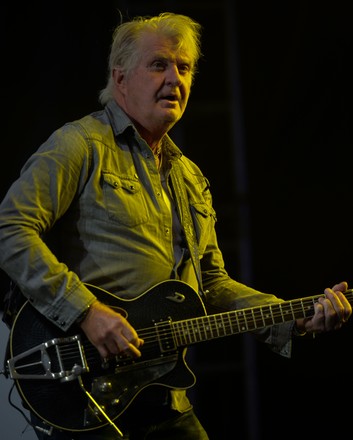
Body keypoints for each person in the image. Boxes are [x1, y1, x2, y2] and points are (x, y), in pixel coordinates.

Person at [0, 11, 351, 440]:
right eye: (158, 64)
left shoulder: (190, 178)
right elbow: (10, 231)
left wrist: (292, 317)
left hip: (163, 396)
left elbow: (213, 285)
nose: (175, 78)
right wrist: (86, 311)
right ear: (120, 77)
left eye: (184, 68)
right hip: (84, 387)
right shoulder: (79, 145)